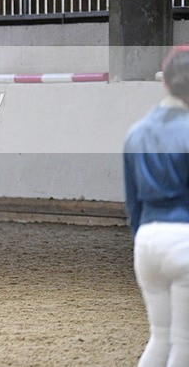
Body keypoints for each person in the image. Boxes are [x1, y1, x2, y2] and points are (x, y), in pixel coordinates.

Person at [124, 46, 189, 367]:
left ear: (164, 82)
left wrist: (142, 235)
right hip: (183, 238)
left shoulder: (136, 133)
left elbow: (132, 202)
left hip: (147, 243)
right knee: (184, 344)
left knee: (160, 338)